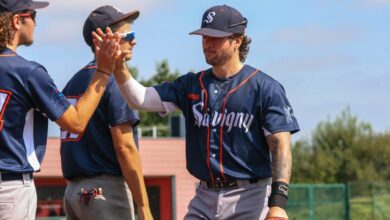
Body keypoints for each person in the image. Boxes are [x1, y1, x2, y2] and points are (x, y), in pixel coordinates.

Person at [103, 4, 300, 220]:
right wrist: (119, 66)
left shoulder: (265, 88)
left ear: (237, 40)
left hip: (250, 196)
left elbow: (281, 145)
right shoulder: (191, 84)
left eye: (216, 37)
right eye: (204, 36)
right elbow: (138, 99)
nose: (207, 43)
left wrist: (278, 204)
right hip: (204, 197)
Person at [0, 0, 120, 219]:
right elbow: (76, 122)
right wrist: (103, 71)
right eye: (33, 16)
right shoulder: (28, 73)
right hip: (9, 189)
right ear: (17, 21)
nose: (36, 23)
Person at [60, 5, 152, 220]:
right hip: (106, 192)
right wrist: (144, 208)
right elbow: (125, 148)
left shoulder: (74, 81)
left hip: (74, 192)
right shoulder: (114, 82)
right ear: (102, 38)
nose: (134, 40)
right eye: (128, 35)